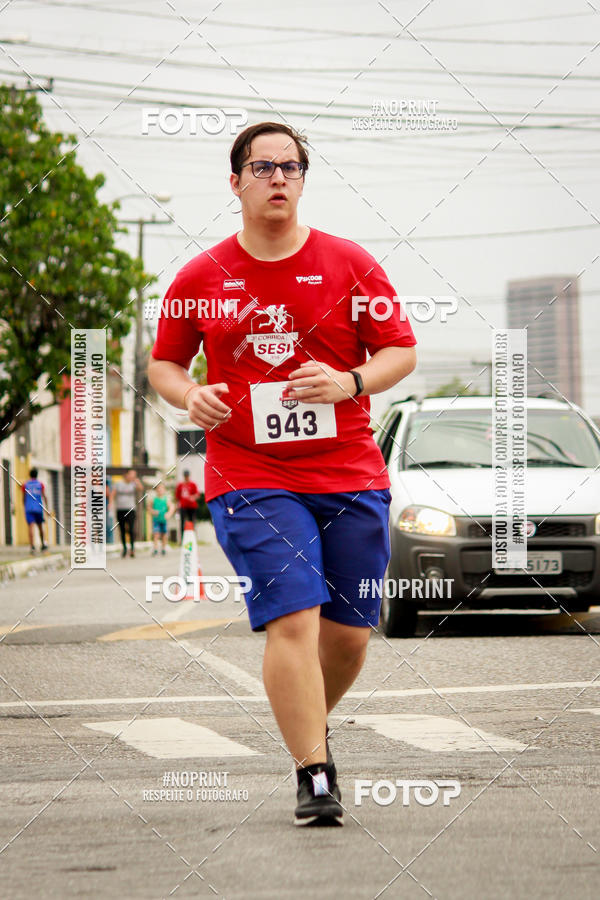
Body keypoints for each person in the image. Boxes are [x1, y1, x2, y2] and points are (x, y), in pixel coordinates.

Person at [148, 122, 417, 826]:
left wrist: (351, 379)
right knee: (293, 615)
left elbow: (400, 350)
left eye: (290, 166)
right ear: (234, 181)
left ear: (303, 179)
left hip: (349, 471)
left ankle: (304, 725)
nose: (277, 178)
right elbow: (165, 363)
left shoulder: (349, 265)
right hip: (250, 472)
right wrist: (188, 395)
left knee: (350, 634)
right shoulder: (202, 276)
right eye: (262, 166)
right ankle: (314, 773)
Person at [110, 469, 143, 558]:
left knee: (131, 529)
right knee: (122, 530)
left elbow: (141, 489)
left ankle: (132, 548)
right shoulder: (118, 483)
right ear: (127, 475)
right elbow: (113, 494)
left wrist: (137, 481)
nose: (133, 477)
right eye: (132, 475)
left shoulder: (133, 484)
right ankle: (124, 548)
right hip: (120, 509)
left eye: (134, 475)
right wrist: (110, 504)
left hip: (131, 509)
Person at [22, 468, 48, 553]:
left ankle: (32, 546)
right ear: (37, 475)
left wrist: (25, 506)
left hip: (29, 508)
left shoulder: (26, 484)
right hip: (38, 508)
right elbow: (44, 496)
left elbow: (23, 498)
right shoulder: (40, 484)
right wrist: (46, 508)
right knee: (40, 527)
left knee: (31, 527)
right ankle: (43, 544)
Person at [151, 482, 175, 555]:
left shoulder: (166, 499)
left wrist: (169, 514)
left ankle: (163, 548)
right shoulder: (154, 499)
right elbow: (149, 508)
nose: (160, 490)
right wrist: (153, 511)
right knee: (156, 534)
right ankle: (155, 548)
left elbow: (172, 507)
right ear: (156, 490)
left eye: (161, 489)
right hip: (156, 519)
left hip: (164, 519)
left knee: (164, 534)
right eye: (158, 489)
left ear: (164, 490)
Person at [175, 469, 200, 538]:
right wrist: (177, 505)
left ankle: (192, 537)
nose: (186, 477)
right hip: (183, 506)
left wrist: (193, 497)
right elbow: (177, 497)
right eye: (185, 476)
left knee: (192, 522)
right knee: (182, 523)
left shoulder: (193, 484)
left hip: (192, 506)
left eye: (187, 476)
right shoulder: (180, 485)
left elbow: (197, 494)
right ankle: (183, 538)